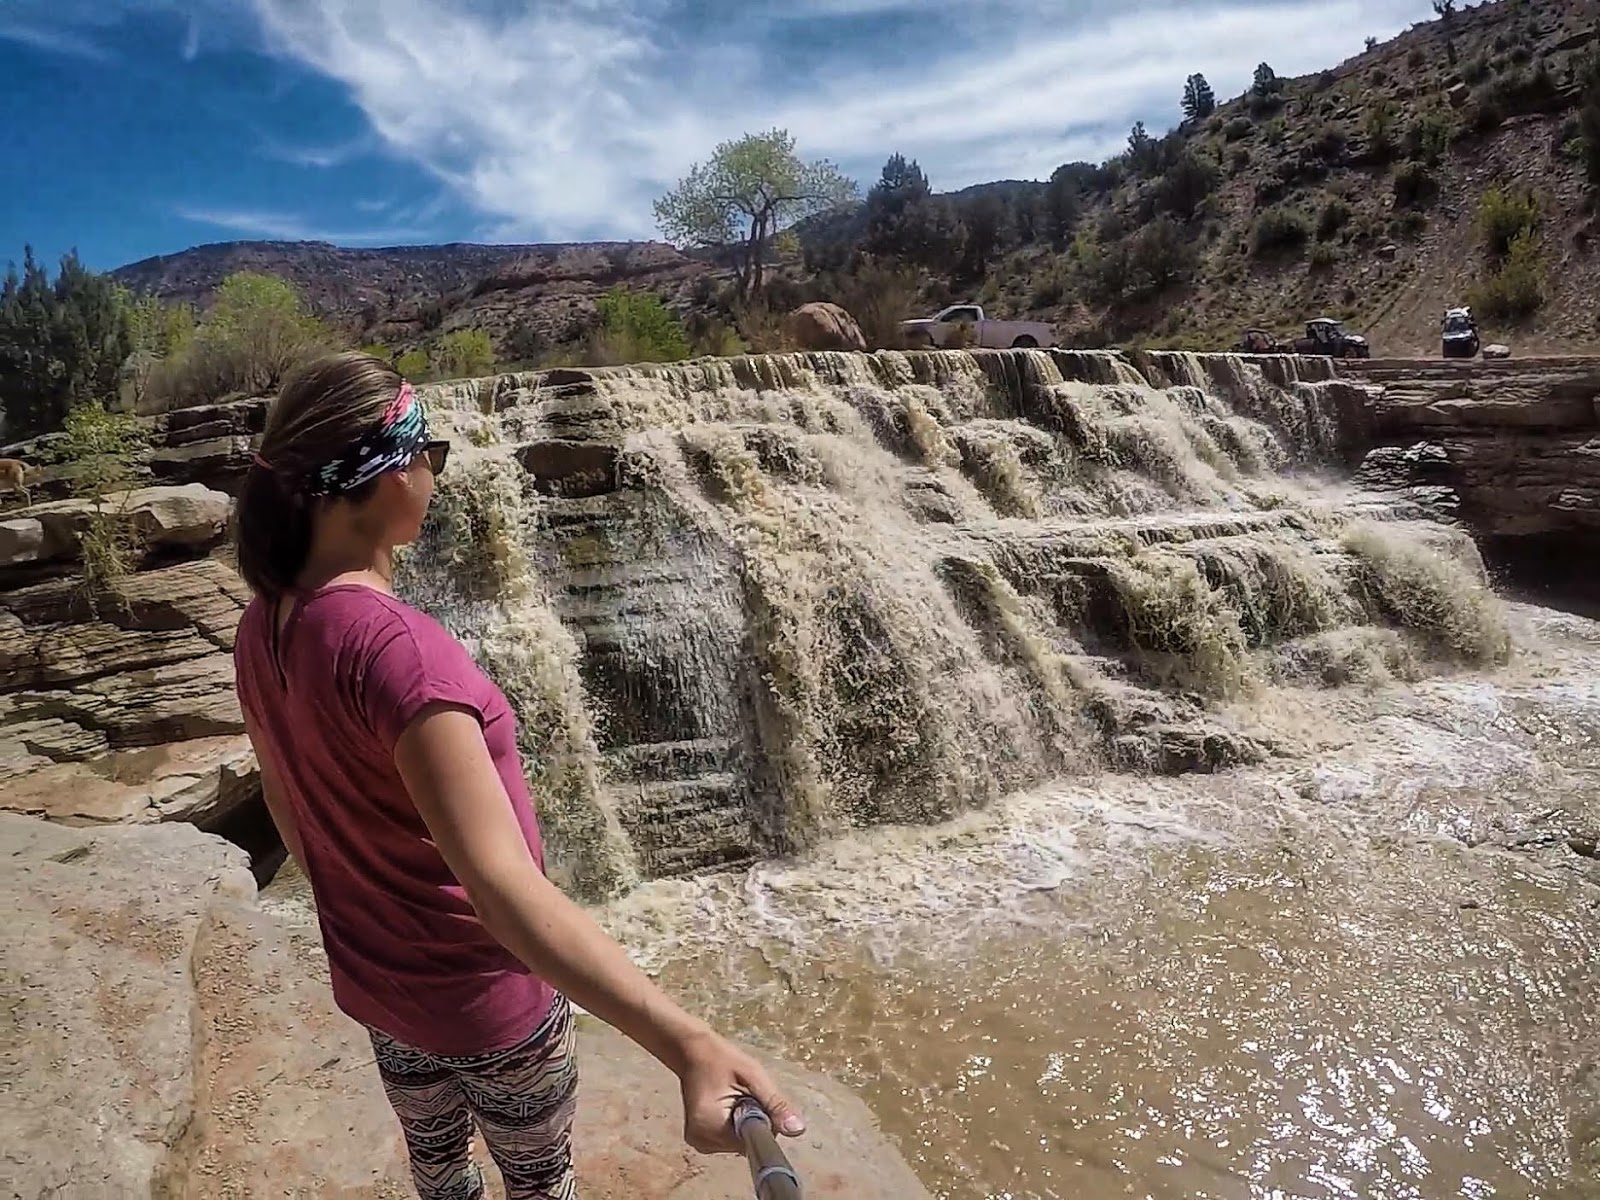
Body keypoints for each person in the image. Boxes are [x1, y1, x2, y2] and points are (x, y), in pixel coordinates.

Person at [231, 351, 803, 1200]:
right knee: (540, 1184)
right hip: (488, 1005)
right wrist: (689, 1044)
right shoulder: (397, 652)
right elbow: (500, 889)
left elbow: (287, 798)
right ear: (381, 476)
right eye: (428, 450)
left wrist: (365, 914)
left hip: (379, 988)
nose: (434, 468)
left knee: (438, 1170)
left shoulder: (263, 624)